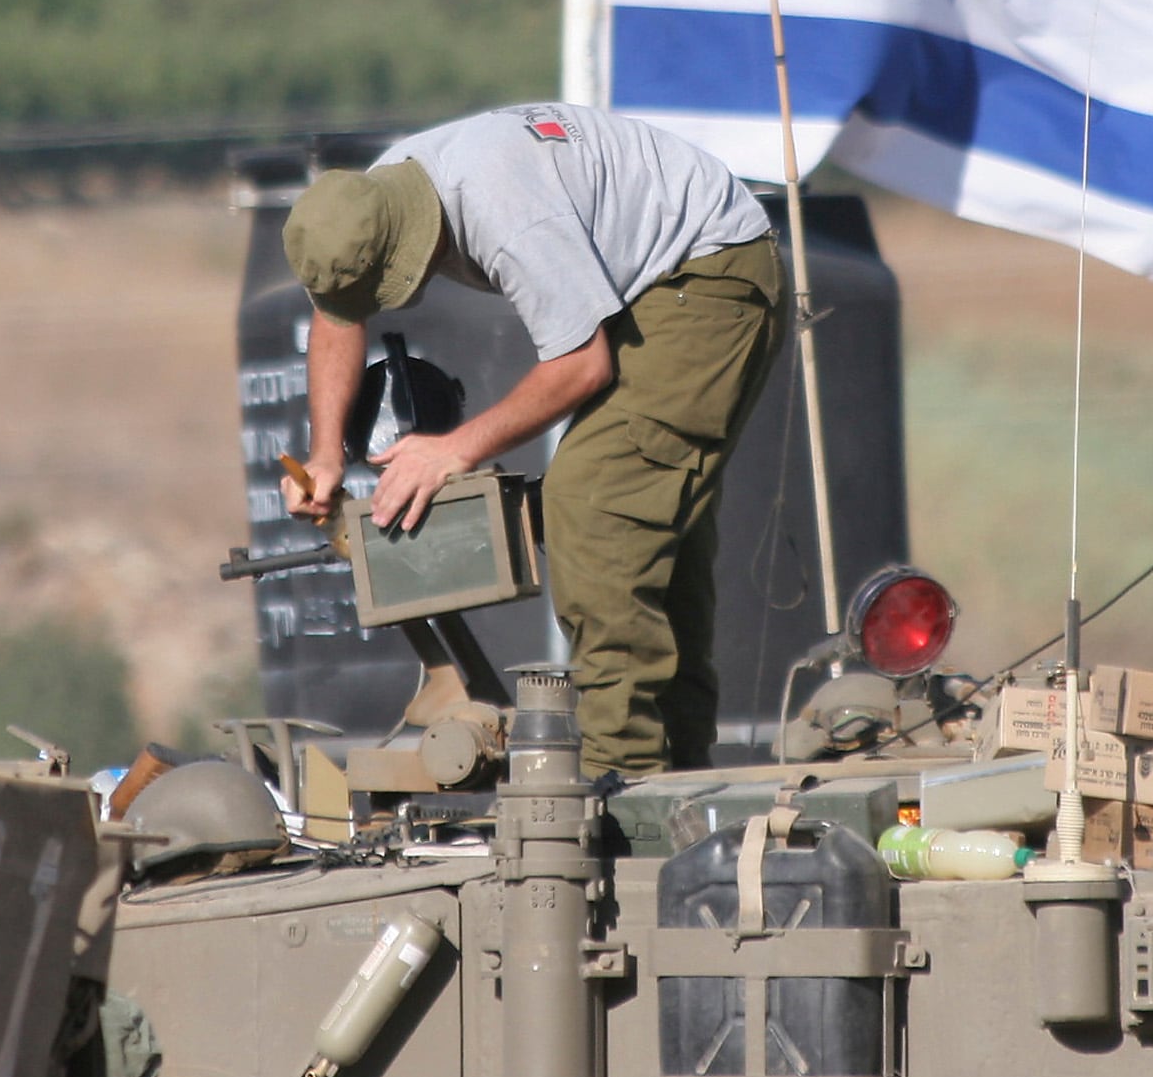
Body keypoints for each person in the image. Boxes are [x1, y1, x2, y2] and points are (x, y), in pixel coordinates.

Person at [283, 104, 781, 777]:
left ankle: (624, 777)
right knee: (650, 527)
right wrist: (325, 454)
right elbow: (337, 316)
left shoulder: (506, 211)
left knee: (595, 502)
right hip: (647, 279)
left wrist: (455, 448)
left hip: (707, 274)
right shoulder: (366, 203)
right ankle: (683, 772)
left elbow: (583, 364)